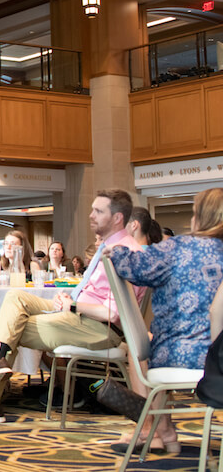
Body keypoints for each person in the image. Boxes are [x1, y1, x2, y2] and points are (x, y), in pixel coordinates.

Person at [0, 189, 145, 423]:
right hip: (80, 317)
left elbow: (112, 313)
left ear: (117, 218)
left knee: (12, 328)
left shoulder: (124, 252)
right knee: (15, 297)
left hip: (98, 328)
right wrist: (69, 300)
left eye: (98, 211)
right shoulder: (109, 247)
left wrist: (73, 306)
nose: (91, 215)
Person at [106, 188, 223, 453]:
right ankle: (162, 431)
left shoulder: (178, 248)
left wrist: (116, 249)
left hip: (185, 355)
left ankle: (154, 430)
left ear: (200, 217)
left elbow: (132, 266)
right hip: (220, 353)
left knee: (140, 348)